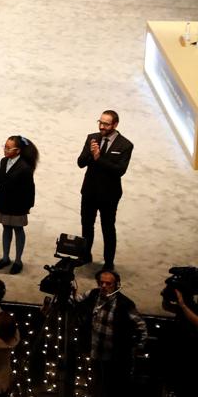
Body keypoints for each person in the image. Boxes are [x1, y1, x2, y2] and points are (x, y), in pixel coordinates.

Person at [79, 269, 147, 397]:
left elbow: (141, 326)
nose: (103, 286)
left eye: (108, 283)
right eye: (101, 282)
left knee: (115, 389)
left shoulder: (124, 304)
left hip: (115, 356)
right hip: (96, 351)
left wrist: (138, 347)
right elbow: (76, 299)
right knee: (95, 385)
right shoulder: (94, 294)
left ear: (116, 284)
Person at [77, 110, 133, 274]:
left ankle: (109, 261)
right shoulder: (92, 138)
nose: (102, 126)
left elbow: (119, 170)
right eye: (100, 122)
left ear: (115, 125)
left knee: (107, 227)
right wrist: (90, 154)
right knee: (86, 225)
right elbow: (80, 163)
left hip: (109, 194)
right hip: (89, 191)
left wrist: (98, 158)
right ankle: (85, 255)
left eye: (106, 124)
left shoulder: (125, 145)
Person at [0, 135, 37, 274]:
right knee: (6, 229)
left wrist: (27, 206)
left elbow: (30, 189)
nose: (5, 150)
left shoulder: (25, 167)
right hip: (4, 202)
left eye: (8, 148)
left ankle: (18, 260)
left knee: (18, 230)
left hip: (18, 205)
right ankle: (5, 257)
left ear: (17, 150)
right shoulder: (4, 161)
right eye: (4, 146)